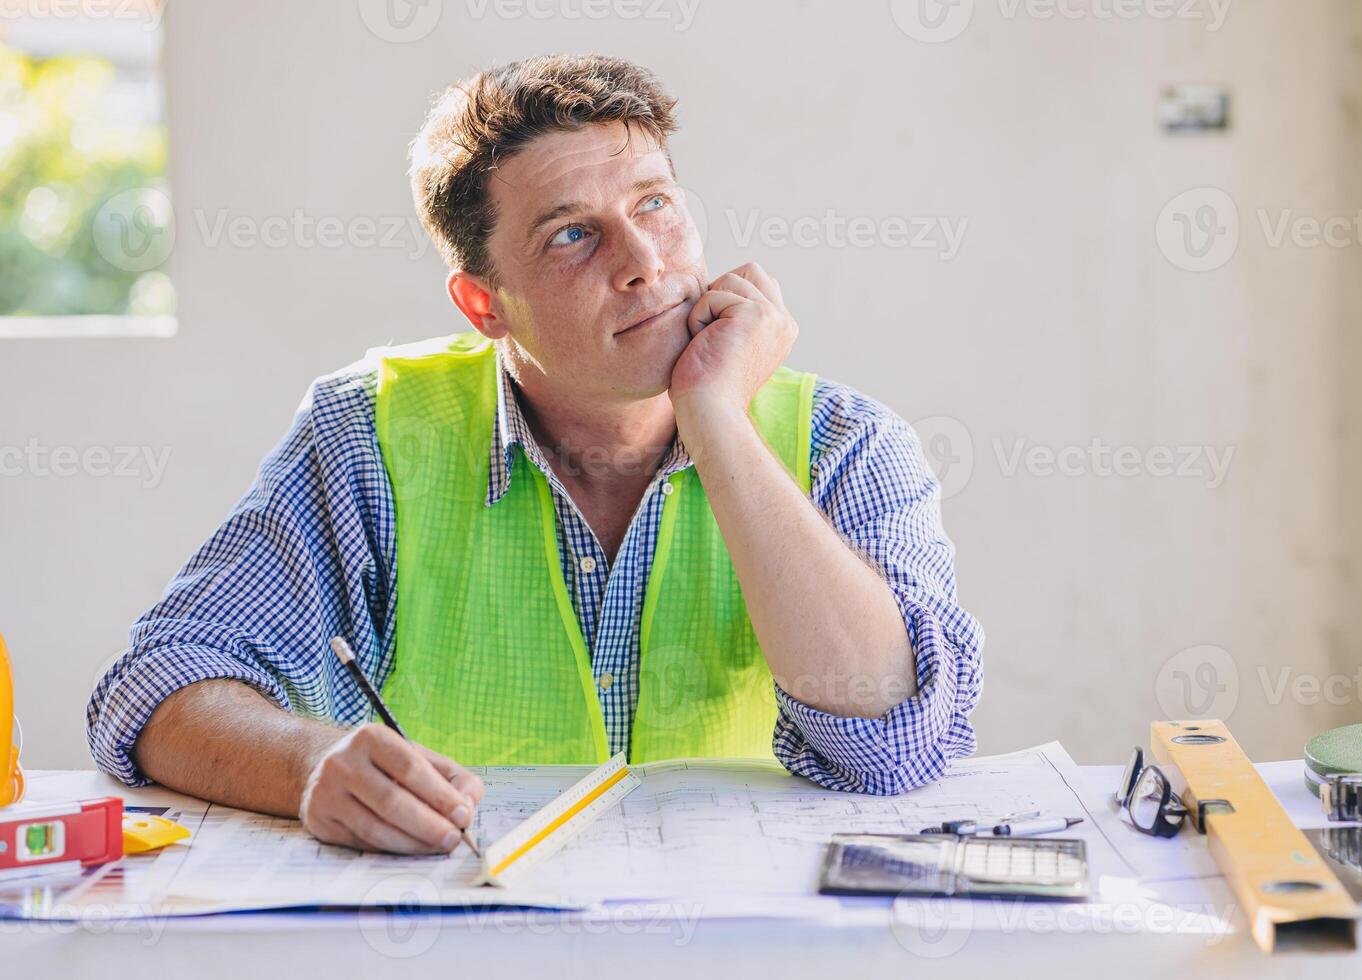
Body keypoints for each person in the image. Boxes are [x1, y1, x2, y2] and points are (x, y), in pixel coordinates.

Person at [86, 54, 983, 856]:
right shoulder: (369, 432)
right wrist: (310, 763)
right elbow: (156, 690)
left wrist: (716, 420)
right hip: (464, 937)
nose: (644, 263)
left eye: (655, 205)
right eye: (571, 235)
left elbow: (890, 745)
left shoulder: (844, 442)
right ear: (484, 305)